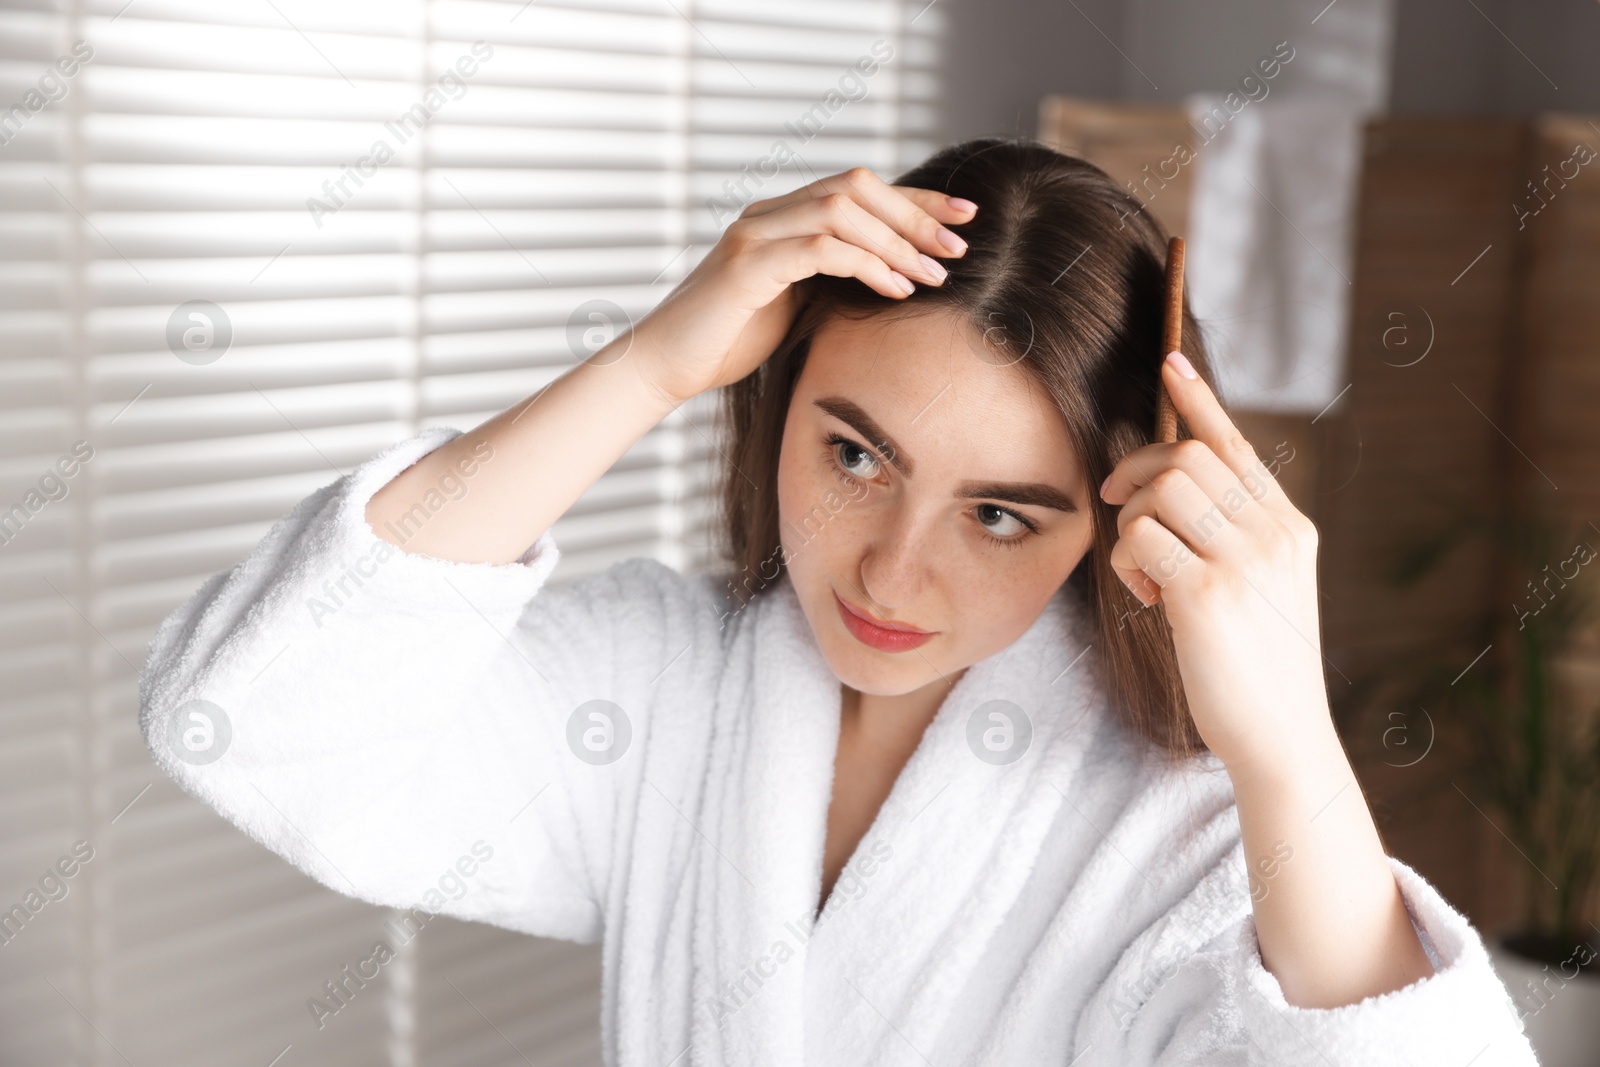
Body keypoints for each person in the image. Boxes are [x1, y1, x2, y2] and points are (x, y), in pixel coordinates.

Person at [138, 137, 1537, 1065]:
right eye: (855, 455)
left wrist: (1287, 736)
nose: (888, 572)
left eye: (1001, 514)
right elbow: (250, 722)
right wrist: (644, 368)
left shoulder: (1178, 843)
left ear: (1116, 513)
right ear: (778, 406)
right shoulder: (668, 691)